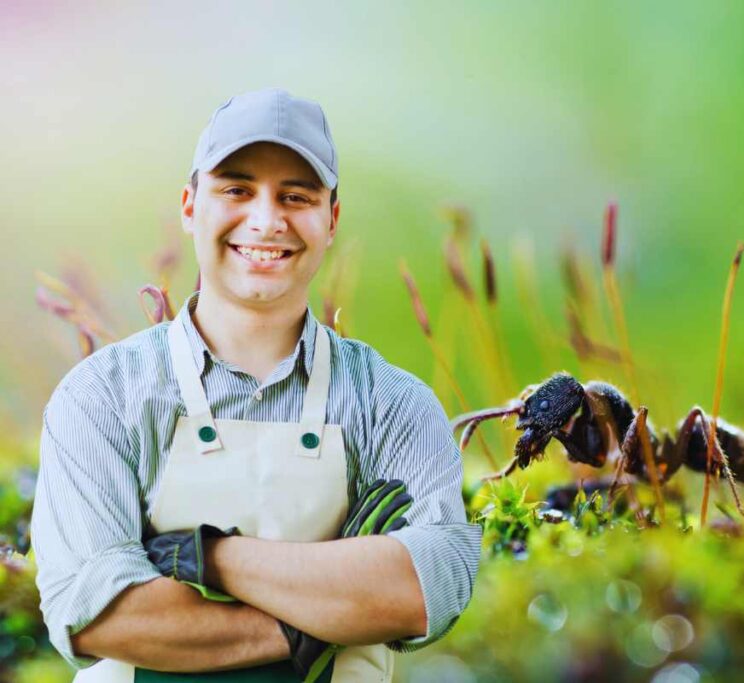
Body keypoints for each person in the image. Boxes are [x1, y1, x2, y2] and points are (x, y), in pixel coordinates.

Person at [30, 88, 482, 682]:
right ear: (190, 206)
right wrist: (315, 618)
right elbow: (99, 616)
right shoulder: (102, 398)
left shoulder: (393, 405)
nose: (267, 220)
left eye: (295, 196)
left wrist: (213, 558)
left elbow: (429, 590)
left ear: (332, 220)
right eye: (236, 190)